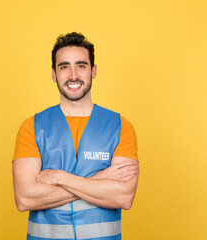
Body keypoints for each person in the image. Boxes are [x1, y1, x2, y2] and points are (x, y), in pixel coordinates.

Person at [12, 32, 139, 240]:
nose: (73, 75)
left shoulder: (120, 126)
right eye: (64, 67)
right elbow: (25, 198)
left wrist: (61, 178)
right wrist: (99, 179)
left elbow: (123, 197)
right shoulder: (32, 127)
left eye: (81, 65)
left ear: (93, 71)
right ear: (54, 74)